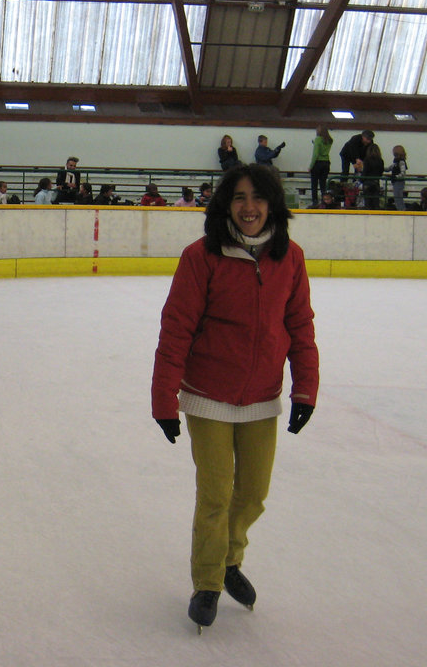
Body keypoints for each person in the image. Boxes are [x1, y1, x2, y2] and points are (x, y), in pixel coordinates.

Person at [150, 163, 318, 632]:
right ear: (226, 203)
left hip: (262, 397)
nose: (249, 208)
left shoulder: (291, 258)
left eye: (258, 198)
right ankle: (207, 582)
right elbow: (176, 329)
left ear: (273, 205)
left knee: (253, 494)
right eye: (239, 198)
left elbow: (300, 326)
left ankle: (228, 560)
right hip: (208, 395)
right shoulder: (200, 256)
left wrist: (305, 388)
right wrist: (165, 400)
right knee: (216, 494)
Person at [308, 124, 332, 207]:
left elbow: (315, 154)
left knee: (314, 184)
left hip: (318, 163)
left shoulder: (318, 139)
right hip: (326, 162)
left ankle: (315, 201)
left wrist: (310, 166)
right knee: (323, 183)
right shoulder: (329, 140)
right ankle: (324, 200)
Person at [362, 143, 385, 210]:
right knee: (376, 201)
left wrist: (361, 180)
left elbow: (365, 171)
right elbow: (381, 172)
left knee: (368, 202)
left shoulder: (367, 160)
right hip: (376, 182)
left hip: (367, 182)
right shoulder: (380, 160)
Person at [388, 146, 408, 210]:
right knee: (397, 198)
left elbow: (403, 173)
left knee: (398, 198)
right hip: (396, 182)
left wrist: (395, 176)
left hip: (399, 182)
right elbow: (389, 168)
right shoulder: (396, 162)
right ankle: (400, 209)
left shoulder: (401, 162)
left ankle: (401, 210)